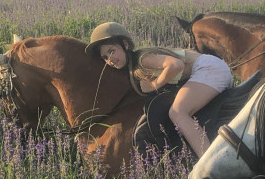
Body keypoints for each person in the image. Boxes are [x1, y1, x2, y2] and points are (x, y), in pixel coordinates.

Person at [86, 22, 233, 158]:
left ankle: (209, 160)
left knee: (178, 112)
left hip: (208, 68)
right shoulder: (133, 68)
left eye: (112, 51)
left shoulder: (142, 59)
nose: (109, 59)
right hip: (205, 70)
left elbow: (176, 65)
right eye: (105, 57)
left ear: (125, 44)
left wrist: (155, 84)